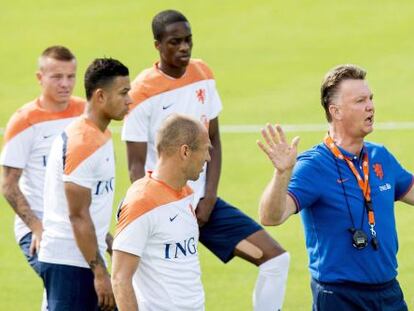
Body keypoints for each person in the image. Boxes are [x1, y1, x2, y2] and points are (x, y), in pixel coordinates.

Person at [122, 9, 289, 310]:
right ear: (157, 44)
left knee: (276, 259)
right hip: (162, 209)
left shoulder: (203, 74)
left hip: (202, 206)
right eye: (175, 42)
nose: (184, 47)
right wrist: (154, 206)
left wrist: (209, 197)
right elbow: (135, 166)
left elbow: (214, 141)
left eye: (188, 40)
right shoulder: (141, 93)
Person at [257, 64, 413, 310]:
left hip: (388, 293)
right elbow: (271, 216)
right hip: (340, 297)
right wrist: (281, 173)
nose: (371, 106)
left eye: (371, 98)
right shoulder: (314, 165)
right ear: (336, 111)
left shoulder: (380, 156)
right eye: (360, 100)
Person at [38, 57, 131, 311]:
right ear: (100, 96)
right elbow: (78, 215)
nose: (129, 100)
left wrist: (111, 245)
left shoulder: (100, 135)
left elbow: (92, 208)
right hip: (70, 262)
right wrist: (100, 274)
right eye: (123, 93)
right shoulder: (83, 142)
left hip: (85, 258)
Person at [0, 45, 85, 309]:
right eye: (56, 77)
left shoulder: (85, 112)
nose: (65, 84)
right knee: (73, 291)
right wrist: (37, 227)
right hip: (40, 231)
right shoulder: (24, 121)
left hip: (78, 227)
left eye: (70, 76)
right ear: (40, 78)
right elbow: (7, 184)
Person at [112, 114, 210, 311]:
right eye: (205, 150)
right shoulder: (142, 201)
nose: (208, 158)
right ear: (185, 151)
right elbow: (120, 279)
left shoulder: (185, 194)